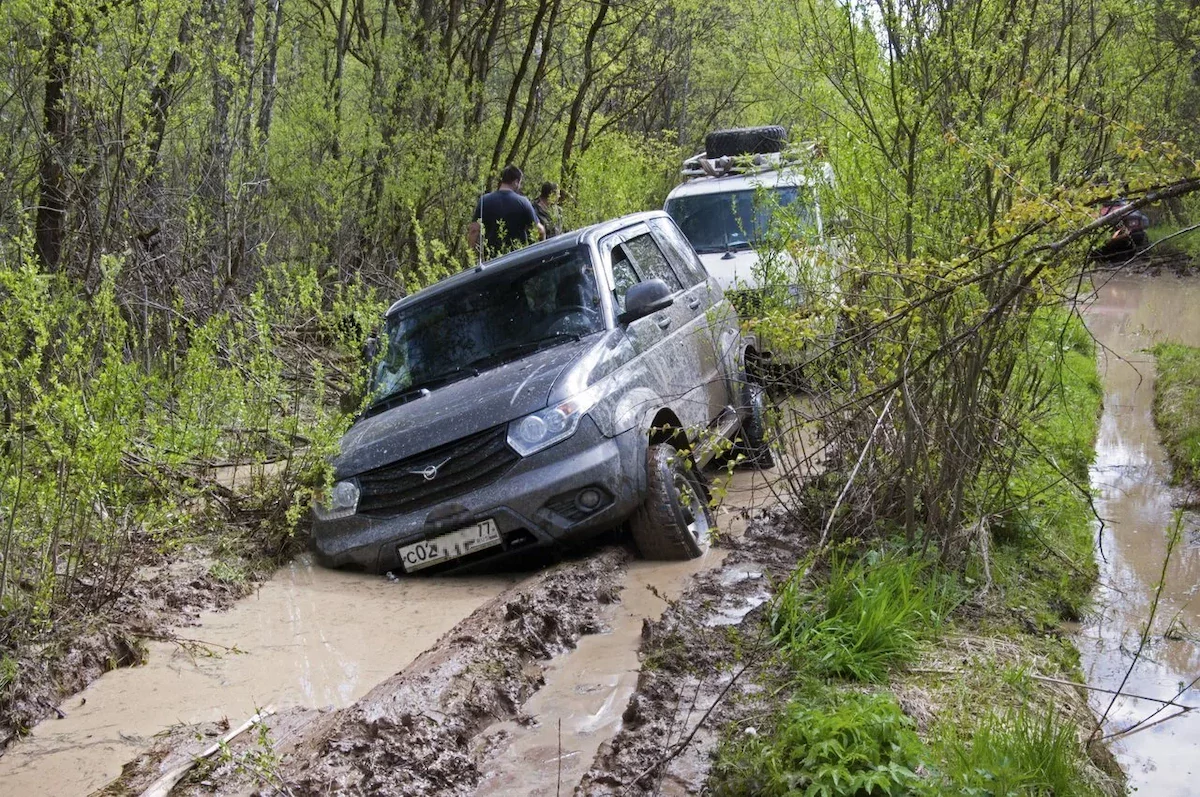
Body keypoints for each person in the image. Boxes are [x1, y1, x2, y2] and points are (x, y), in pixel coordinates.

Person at [467, 165, 544, 258]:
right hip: (518, 257)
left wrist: (472, 257)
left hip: (492, 259)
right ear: (516, 182)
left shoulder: (484, 200)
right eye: (519, 183)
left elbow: (474, 230)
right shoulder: (523, 202)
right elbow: (540, 230)